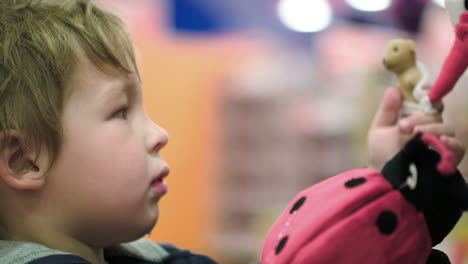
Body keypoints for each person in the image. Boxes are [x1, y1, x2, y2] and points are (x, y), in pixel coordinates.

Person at [0, 1, 464, 264]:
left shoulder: (146, 258)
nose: (159, 133)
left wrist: (387, 190)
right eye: (121, 112)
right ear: (25, 160)